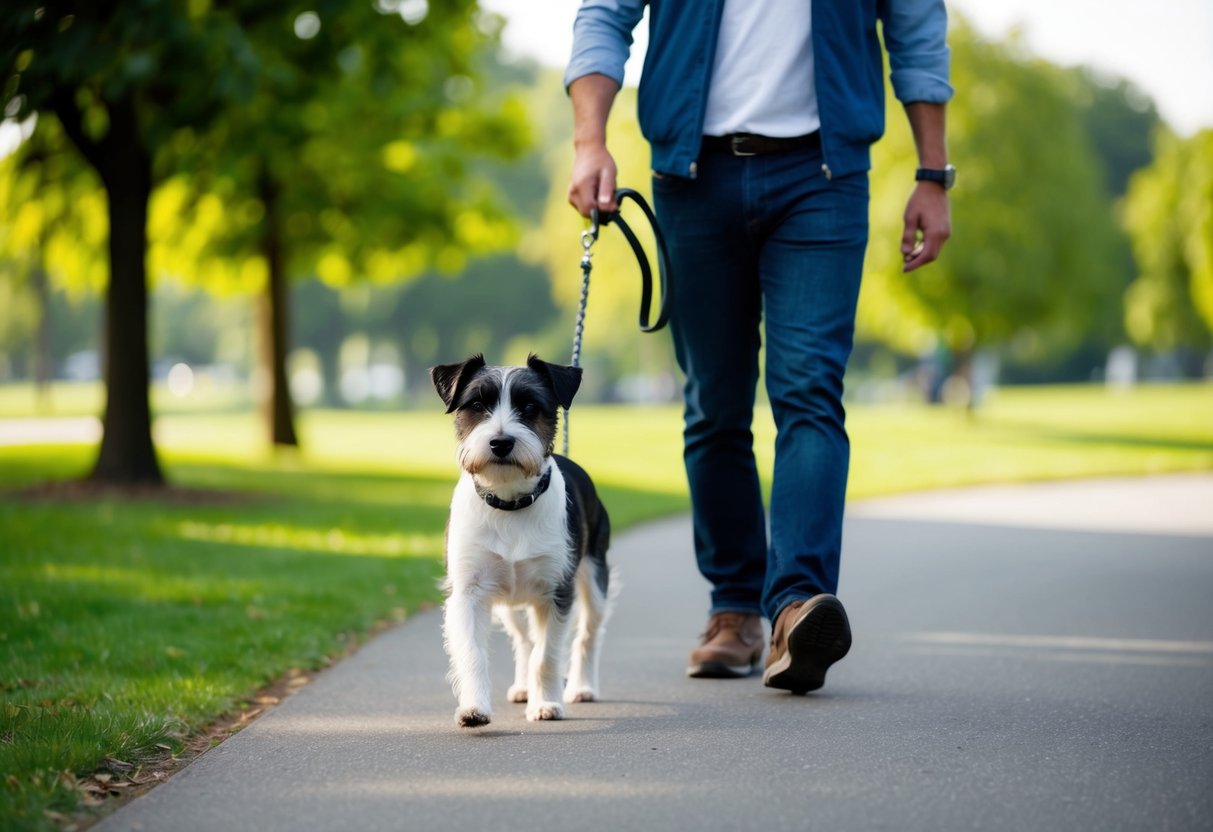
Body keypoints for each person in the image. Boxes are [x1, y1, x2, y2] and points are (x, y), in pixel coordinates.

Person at [565, 0, 953, 693]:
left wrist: (933, 173)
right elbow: (603, 15)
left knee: (808, 389)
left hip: (823, 177)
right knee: (714, 405)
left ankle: (795, 608)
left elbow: (916, 27)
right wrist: (588, 140)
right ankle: (734, 609)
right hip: (690, 176)